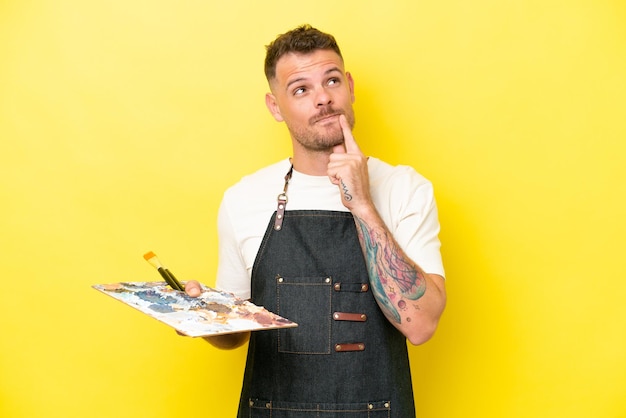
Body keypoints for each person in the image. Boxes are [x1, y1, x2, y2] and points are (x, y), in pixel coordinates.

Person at [184, 24, 446, 417]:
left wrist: (362, 205)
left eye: (332, 80)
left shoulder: (404, 188)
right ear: (276, 107)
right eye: (301, 89)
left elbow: (421, 325)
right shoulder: (244, 199)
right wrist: (199, 316)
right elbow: (235, 334)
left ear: (350, 87)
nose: (323, 98)